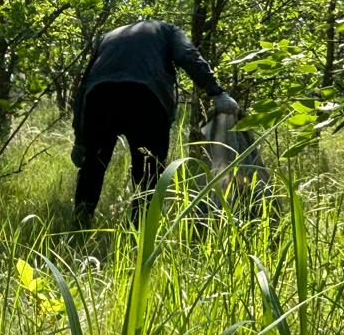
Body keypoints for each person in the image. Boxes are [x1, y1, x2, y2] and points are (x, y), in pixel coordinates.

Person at [71, 19, 238, 225]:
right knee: (149, 169)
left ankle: (80, 225)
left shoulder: (107, 37)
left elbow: (84, 85)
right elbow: (188, 55)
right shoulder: (169, 31)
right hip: (146, 98)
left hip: (100, 97)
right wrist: (216, 92)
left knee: (93, 165)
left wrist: (80, 140)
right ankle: (140, 231)